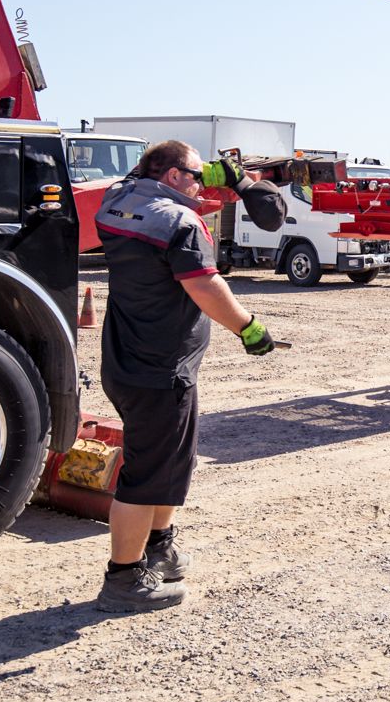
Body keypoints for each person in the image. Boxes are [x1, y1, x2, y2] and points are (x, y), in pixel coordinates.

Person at [91, 139, 285, 613]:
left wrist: (218, 178)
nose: (202, 183)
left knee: (171, 465)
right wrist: (248, 327)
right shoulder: (179, 223)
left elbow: (143, 185)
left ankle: (159, 546)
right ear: (174, 177)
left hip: (127, 362)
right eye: (195, 175)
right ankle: (123, 579)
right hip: (160, 370)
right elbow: (203, 284)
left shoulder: (117, 202)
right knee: (146, 475)